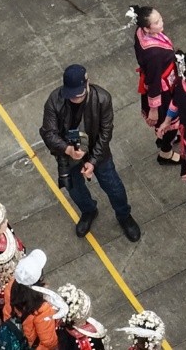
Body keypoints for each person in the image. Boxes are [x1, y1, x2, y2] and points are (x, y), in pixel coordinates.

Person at [43, 62, 139, 241]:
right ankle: (88, 211)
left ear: (88, 82)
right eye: (71, 95)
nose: (75, 99)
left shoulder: (102, 98)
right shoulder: (54, 100)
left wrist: (93, 161)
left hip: (97, 151)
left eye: (79, 94)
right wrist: (68, 150)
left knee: (114, 186)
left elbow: (105, 133)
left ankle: (124, 215)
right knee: (74, 189)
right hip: (68, 152)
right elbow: (48, 133)